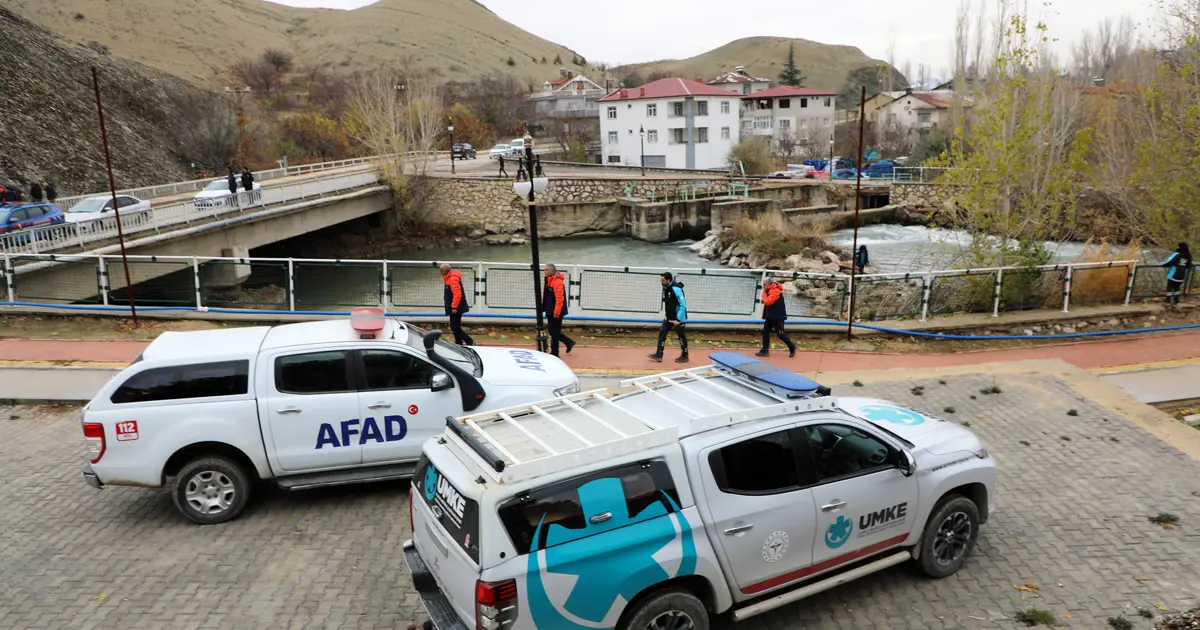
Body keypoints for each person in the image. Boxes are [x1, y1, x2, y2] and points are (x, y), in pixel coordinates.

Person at [648, 272, 688, 363]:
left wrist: (678, 319)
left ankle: (685, 355)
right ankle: (659, 354)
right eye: (660, 280)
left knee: (681, 337)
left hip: (678, 319)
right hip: (669, 318)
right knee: (662, 333)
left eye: (662, 280)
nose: (661, 282)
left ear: (668, 280)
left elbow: (683, 305)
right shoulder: (666, 287)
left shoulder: (676, 289)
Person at [757, 275, 797, 358]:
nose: (763, 286)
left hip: (778, 317)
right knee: (765, 332)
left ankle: (792, 347)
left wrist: (764, 294)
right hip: (770, 316)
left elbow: (768, 302)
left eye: (764, 285)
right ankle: (765, 350)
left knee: (781, 334)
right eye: (763, 285)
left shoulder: (775, 291)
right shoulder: (769, 290)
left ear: (769, 284)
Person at [542, 264, 575, 357]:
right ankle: (568, 342)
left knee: (554, 332)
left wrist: (556, 312)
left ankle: (555, 353)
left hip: (556, 311)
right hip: (551, 309)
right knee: (552, 331)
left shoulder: (557, 282)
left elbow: (559, 299)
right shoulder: (549, 280)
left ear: (552, 271)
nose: (545, 271)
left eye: (546, 270)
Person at [441, 263, 475, 346]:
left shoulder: (452, 279)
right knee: (455, 326)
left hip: (456, 307)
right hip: (455, 306)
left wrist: (454, 307)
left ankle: (469, 341)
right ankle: (458, 342)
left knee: (455, 327)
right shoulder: (449, 278)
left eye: (440, 270)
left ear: (444, 271)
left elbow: (457, 294)